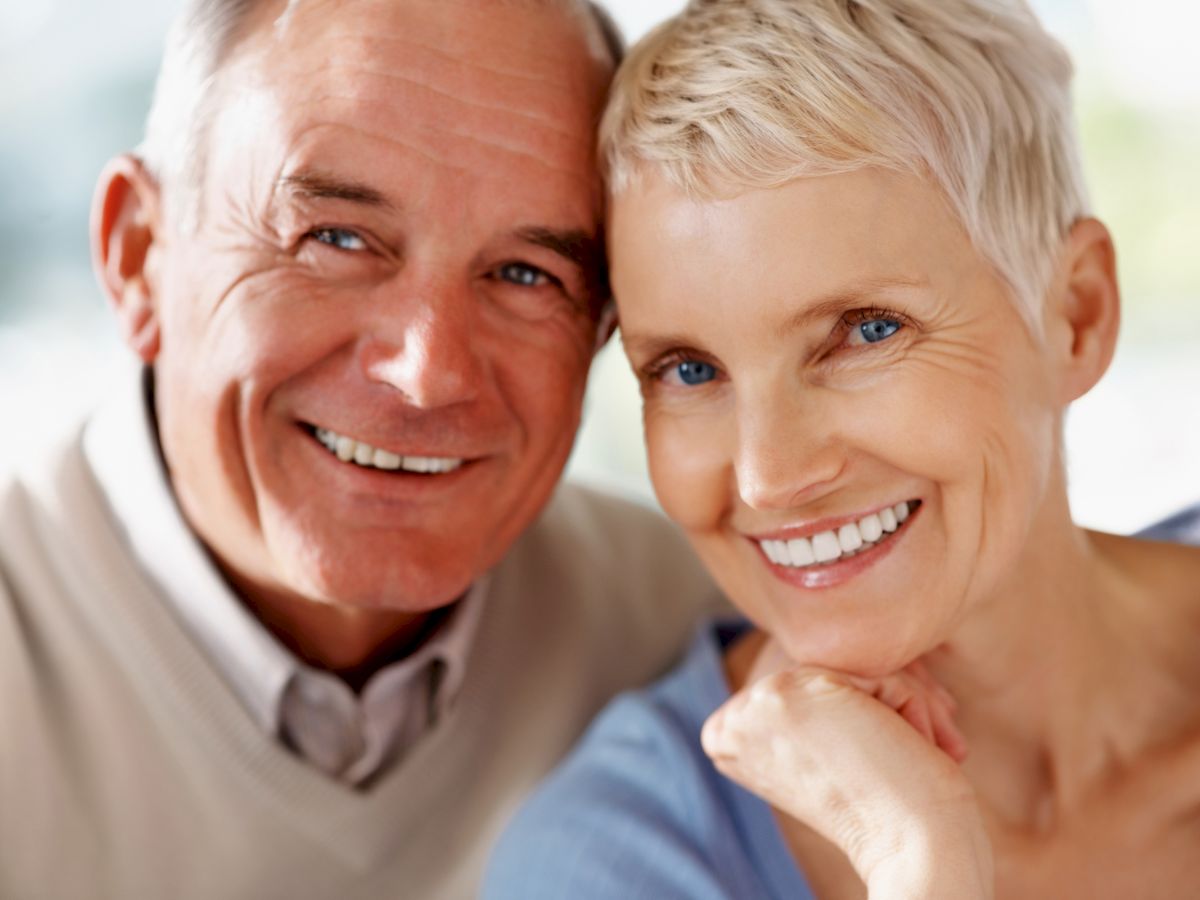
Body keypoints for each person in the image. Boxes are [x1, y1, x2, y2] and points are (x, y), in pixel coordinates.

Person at [0, 1, 724, 898]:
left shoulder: (696, 635)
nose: (430, 372)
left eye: (527, 274)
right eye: (336, 239)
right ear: (139, 255)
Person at [484, 0, 1200, 897]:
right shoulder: (614, 860)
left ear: (1076, 317)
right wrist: (917, 854)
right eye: (688, 369)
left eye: (864, 331)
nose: (770, 477)